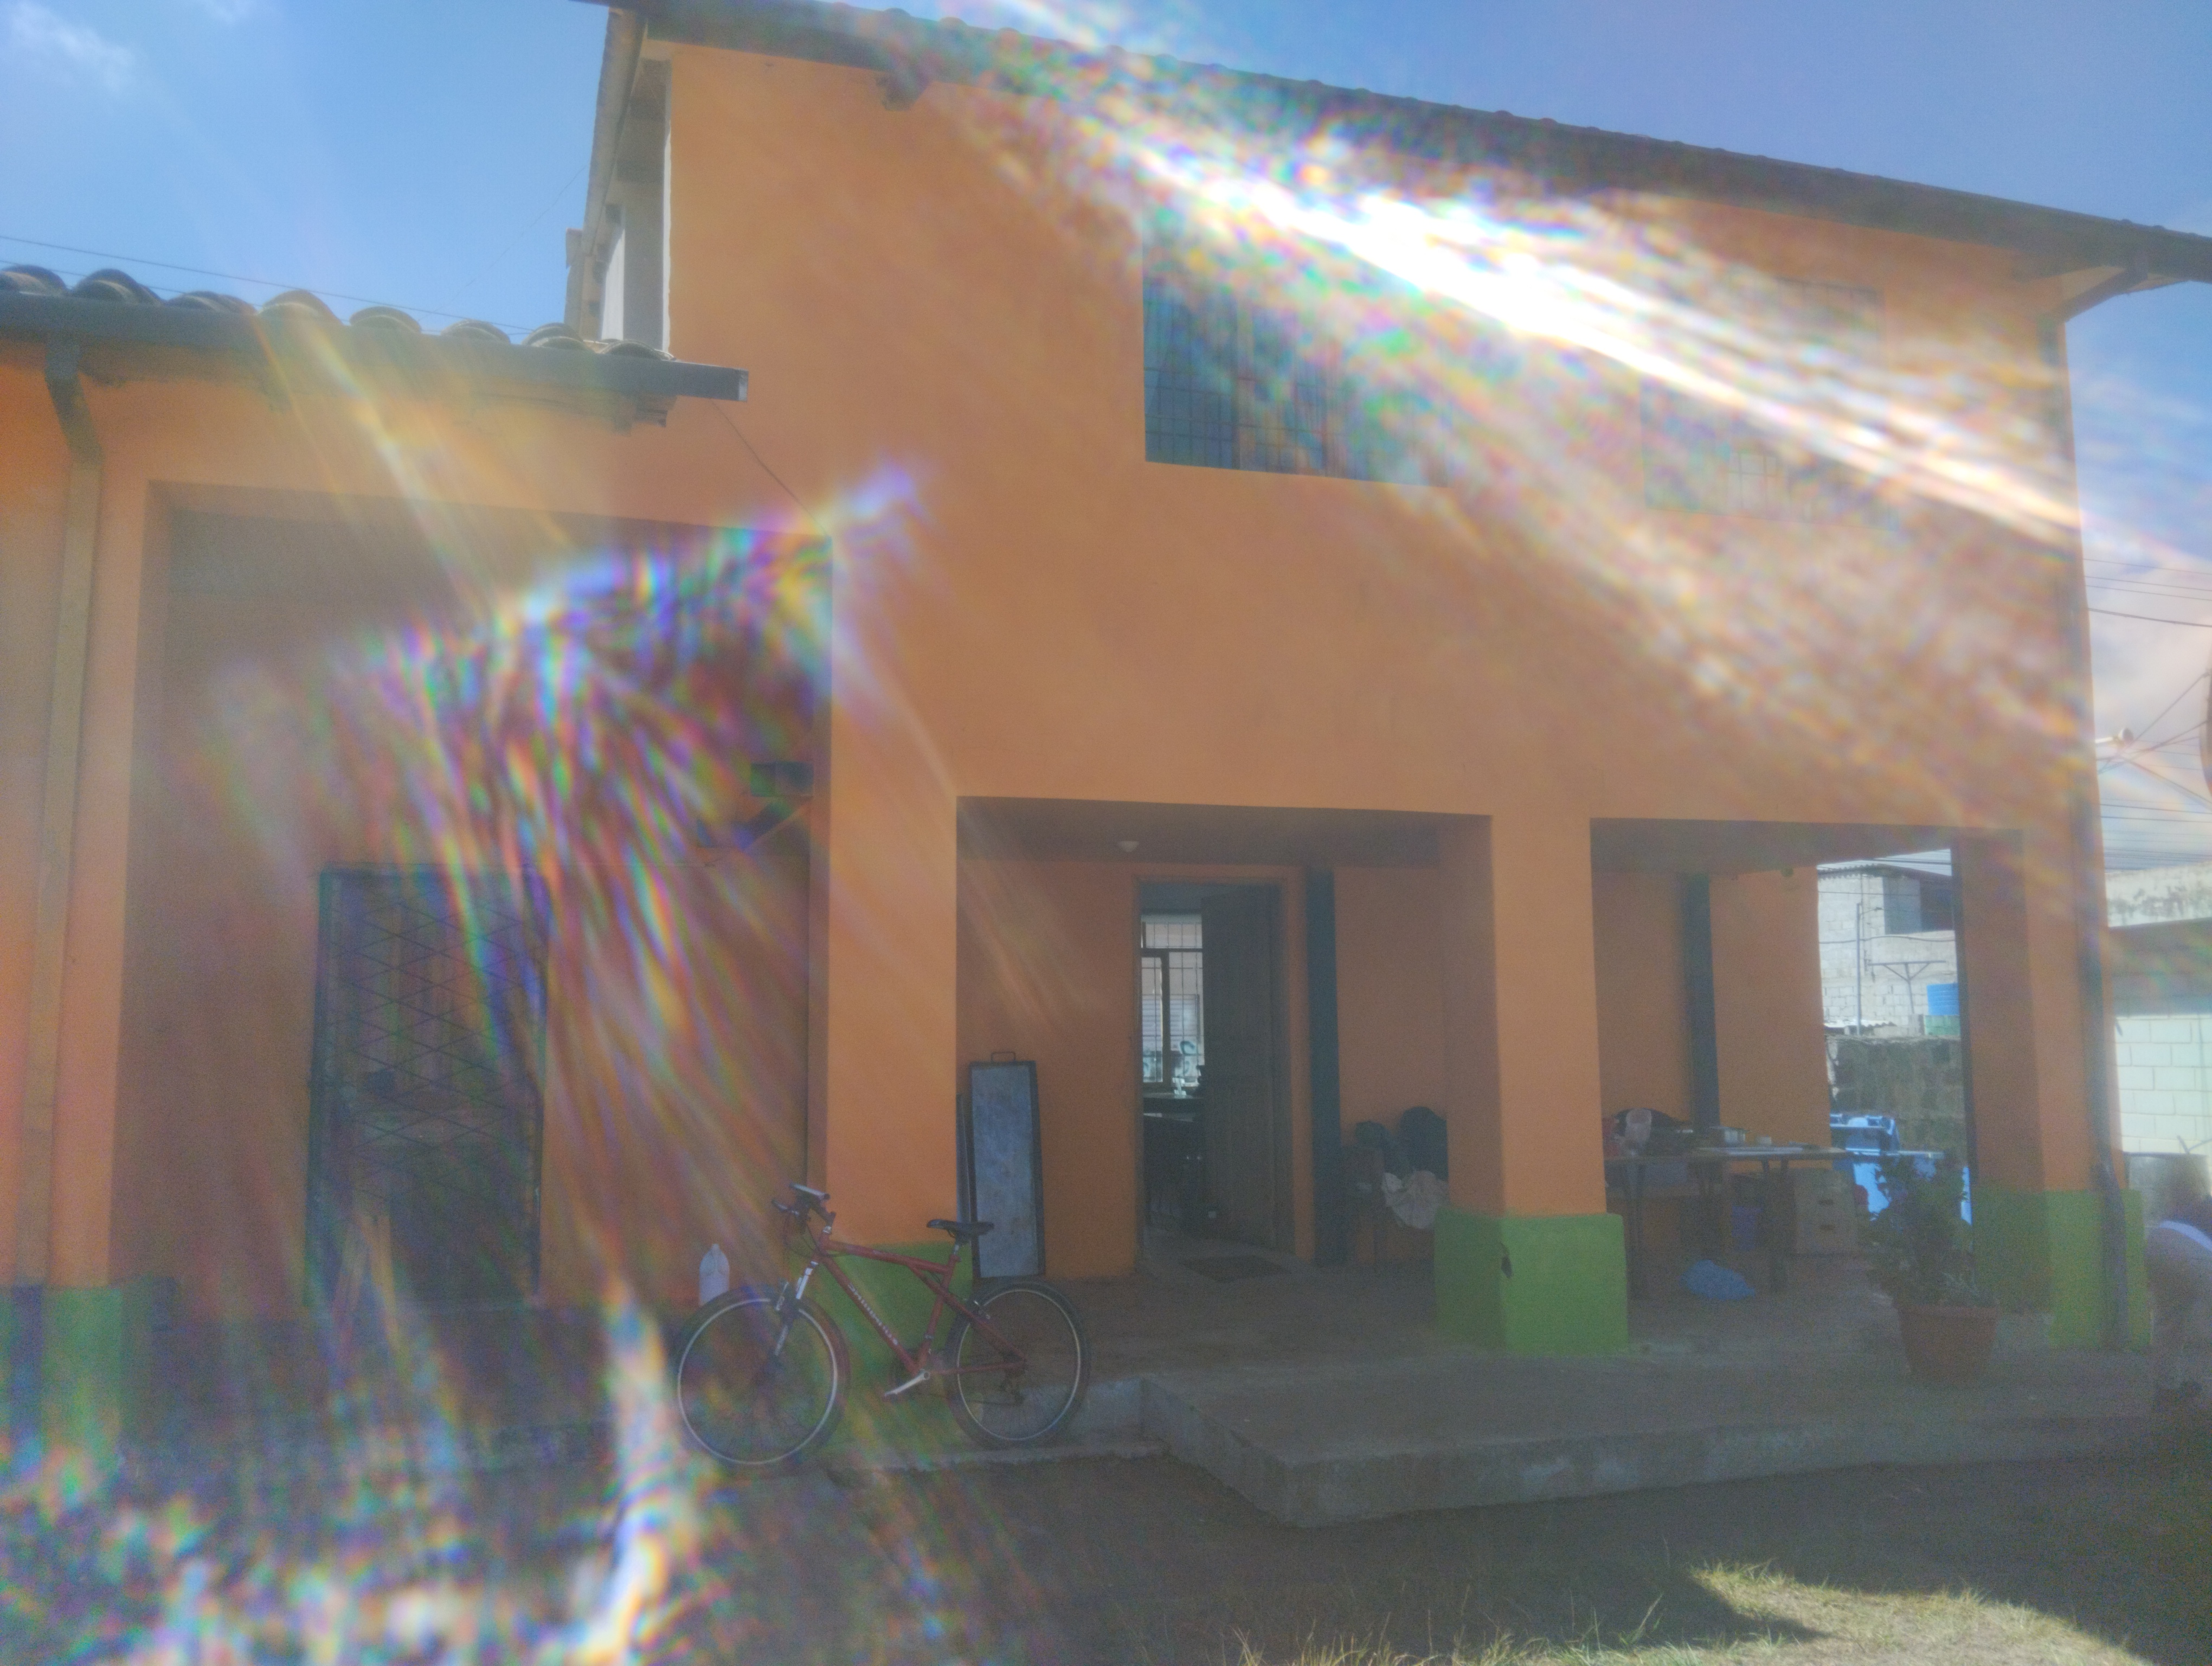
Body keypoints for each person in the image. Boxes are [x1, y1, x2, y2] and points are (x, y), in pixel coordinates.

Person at [2145, 1158, 2212, 1416]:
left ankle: (2166, 1390)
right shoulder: (2205, 1202)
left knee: (2169, 1322)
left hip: (2158, 1242)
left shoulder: (2174, 1201)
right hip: (2191, 1250)